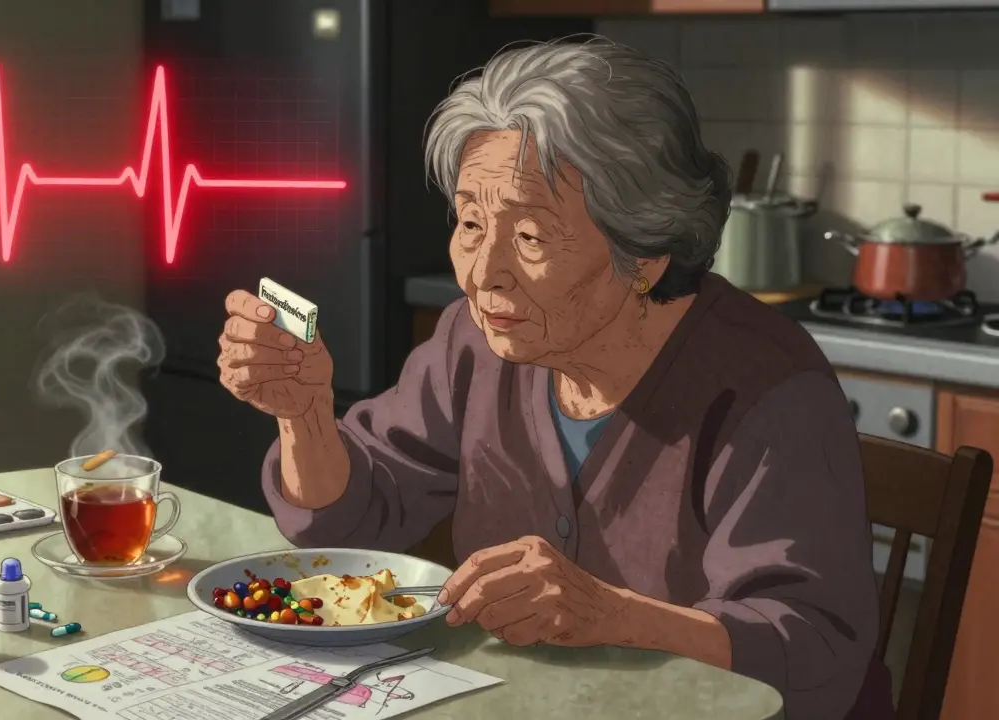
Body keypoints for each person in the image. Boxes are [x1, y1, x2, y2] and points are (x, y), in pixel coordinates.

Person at [216, 37, 891, 720]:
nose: (483, 274)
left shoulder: (766, 386)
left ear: (645, 253)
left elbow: (811, 652)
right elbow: (357, 514)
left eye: (532, 237)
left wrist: (614, 615)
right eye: (472, 223)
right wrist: (304, 415)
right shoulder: (472, 344)